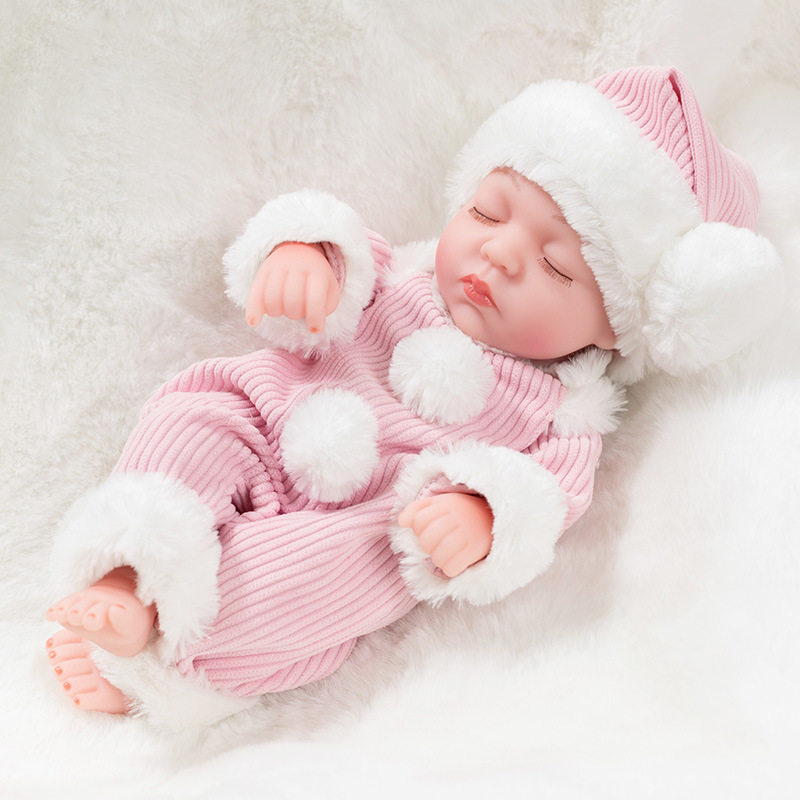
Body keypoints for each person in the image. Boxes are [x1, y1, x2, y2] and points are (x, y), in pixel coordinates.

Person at [43, 66, 780, 731]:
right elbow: (339, 251)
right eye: (488, 213)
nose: (499, 252)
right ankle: (128, 569)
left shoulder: (562, 418)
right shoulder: (402, 271)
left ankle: (149, 667)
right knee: (191, 416)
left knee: (318, 583)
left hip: (357, 526)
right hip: (267, 415)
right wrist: (301, 259)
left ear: (615, 327)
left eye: (555, 266)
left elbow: (542, 502)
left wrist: (483, 516)